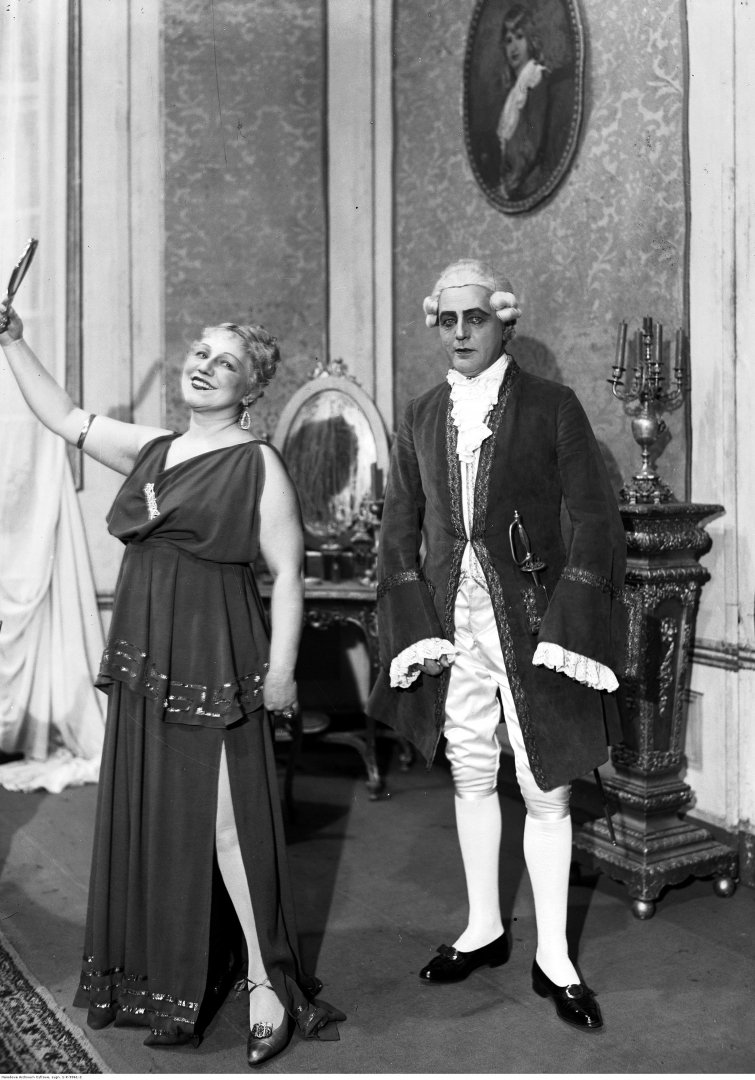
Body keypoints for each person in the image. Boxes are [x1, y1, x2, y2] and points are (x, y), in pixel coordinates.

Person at [0, 303, 344, 1065]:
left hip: (215, 650)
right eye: (199, 352)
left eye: (224, 362)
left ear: (250, 388)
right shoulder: (154, 449)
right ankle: (174, 979)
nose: (203, 365)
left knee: (225, 826)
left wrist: (282, 671)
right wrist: (14, 342)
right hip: (148, 654)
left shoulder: (258, 464)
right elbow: (64, 417)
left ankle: (265, 982)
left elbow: (288, 574)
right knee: (157, 816)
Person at [367, 259, 628, 1032]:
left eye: (473, 318)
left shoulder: (551, 405)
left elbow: (593, 518)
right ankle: (483, 926)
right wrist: (414, 621)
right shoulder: (420, 415)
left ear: (501, 321)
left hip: (533, 624)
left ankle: (554, 955)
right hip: (452, 625)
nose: (459, 333)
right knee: (470, 770)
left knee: (545, 784)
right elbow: (398, 528)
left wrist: (569, 619)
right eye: (447, 320)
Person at [496, 4, 549, 200]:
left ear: (531, 40)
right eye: (508, 40)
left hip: (530, 183)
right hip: (514, 185)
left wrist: (513, 182)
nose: (514, 47)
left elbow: (532, 142)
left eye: (519, 37)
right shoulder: (514, 93)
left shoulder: (535, 79)